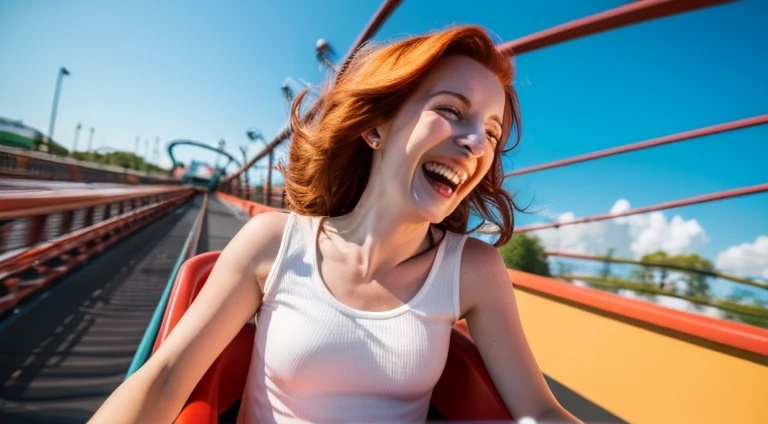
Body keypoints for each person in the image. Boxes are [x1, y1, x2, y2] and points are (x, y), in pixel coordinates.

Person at [90, 25, 581, 424]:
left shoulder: (474, 270)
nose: (477, 143)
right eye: (451, 111)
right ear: (374, 126)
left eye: (492, 133)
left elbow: (538, 411)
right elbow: (167, 376)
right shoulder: (272, 244)